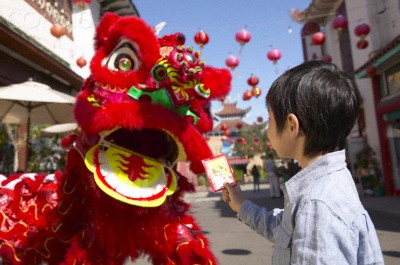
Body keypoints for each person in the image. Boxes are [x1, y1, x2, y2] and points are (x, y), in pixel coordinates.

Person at [221, 61, 384, 264]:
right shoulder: (328, 185)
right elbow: (283, 230)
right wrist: (241, 205)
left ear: (292, 125)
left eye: (270, 119)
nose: (268, 129)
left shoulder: (316, 206)